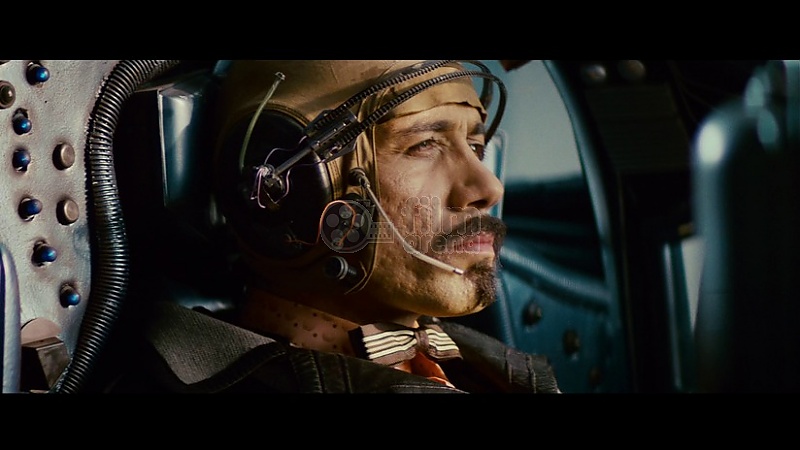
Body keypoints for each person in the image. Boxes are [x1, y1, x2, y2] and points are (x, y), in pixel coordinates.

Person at [105, 60, 562, 394]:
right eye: (424, 144)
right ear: (290, 189)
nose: (488, 187)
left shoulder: (488, 370)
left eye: (476, 148)